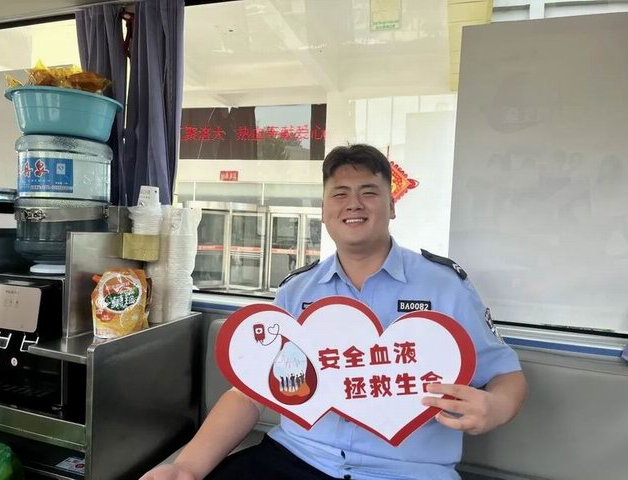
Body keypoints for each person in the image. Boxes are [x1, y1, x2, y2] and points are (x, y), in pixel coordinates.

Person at [141, 144, 527, 480]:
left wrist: (494, 408)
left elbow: (506, 375)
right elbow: (251, 394)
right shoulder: (297, 290)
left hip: (405, 470)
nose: (353, 203)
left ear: (392, 206)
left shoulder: (444, 285)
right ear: (324, 211)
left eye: (369, 192)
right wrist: (185, 468)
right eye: (339, 194)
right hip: (299, 457)